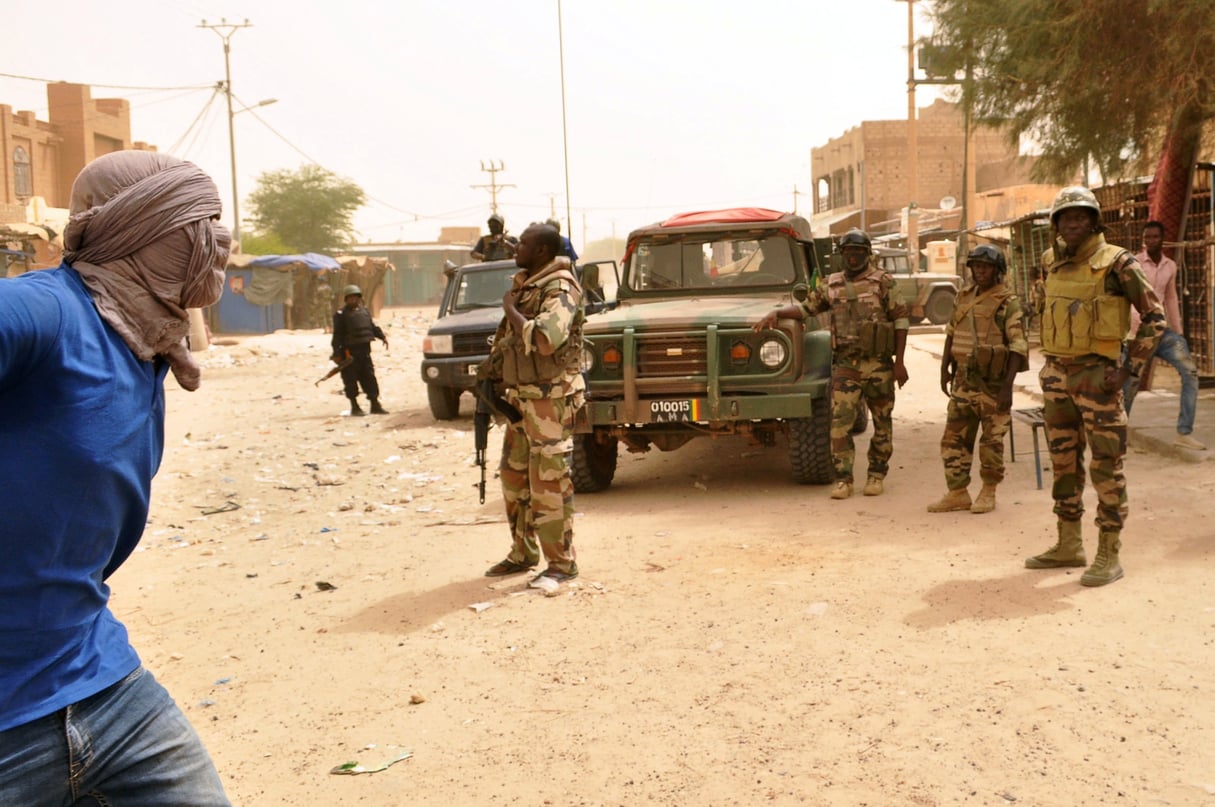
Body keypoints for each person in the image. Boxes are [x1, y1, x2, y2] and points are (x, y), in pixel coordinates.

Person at [0, 151, 231, 804]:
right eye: (197, 223)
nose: (218, 242)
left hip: (103, 684)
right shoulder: (44, 312)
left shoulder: (147, 345)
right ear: (138, 231)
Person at [1024, 186, 1165, 587]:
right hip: (1056, 379)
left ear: (1093, 221)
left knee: (1106, 466)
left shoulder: (1118, 263)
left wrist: (1127, 370)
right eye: (1064, 217)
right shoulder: (1051, 261)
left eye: (1080, 217)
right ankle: (1069, 544)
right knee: (1063, 464)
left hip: (1097, 378)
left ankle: (1109, 552)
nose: (1071, 223)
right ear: (1056, 224)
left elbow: (1155, 319)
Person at [755, 228, 910, 499]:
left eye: (858, 252)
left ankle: (876, 475)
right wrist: (778, 313)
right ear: (842, 255)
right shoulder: (831, 284)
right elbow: (806, 309)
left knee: (882, 423)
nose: (853, 258)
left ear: (867, 254)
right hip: (846, 364)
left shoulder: (883, 282)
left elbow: (900, 320)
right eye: (848, 252)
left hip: (879, 364)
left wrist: (900, 362)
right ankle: (844, 479)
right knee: (840, 425)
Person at [482, 223, 585, 586]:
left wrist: (510, 309)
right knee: (514, 477)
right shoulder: (527, 283)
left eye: (522, 243)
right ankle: (523, 553)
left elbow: (545, 338)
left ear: (540, 251)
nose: (514, 246)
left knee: (549, 482)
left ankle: (561, 564)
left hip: (550, 402)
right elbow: (511, 342)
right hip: (523, 399)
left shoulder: (561, 286)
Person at [927, 244, 1028, 514]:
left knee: (991, 442)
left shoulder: (1008, 302)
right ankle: (957, 492)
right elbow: (951, 331)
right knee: (953, 439)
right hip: (963, 380)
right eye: (976, 265)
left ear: (998, 270)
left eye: (986, 266)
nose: (980, 270)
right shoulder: (963, 296)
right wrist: (945, 367)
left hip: (993, 385)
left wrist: (1007, 388)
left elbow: (1018, 346)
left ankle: (988, 491)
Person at [1122, 220, 1205, 450]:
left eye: (1155, 237)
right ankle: (1120, 433)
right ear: (1143, 240)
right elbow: (1124, 297)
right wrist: (1130, 330)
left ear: (1163, 239)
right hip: (1138, 333)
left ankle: (1184, 432)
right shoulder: (1134, 263)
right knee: (1130, 384)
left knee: (1190, 373)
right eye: (1147, 237)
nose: (1151, 241)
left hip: (1164, 332)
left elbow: (1170, 299)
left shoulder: (1170, 266)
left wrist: (1178, 333)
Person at [331, 284, 388, 415]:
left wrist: (382, 336)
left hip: (365, 352)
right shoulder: (341, 315)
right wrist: (337, 353)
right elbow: (337, 336)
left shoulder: (364, 311)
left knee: (369, 378)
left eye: (355, 298)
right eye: (350, 298)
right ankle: (355, 406)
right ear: (346, 299)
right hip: (349, 353)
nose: (353, 300)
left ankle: (375, 404)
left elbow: (371, 327)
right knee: (350, 380)